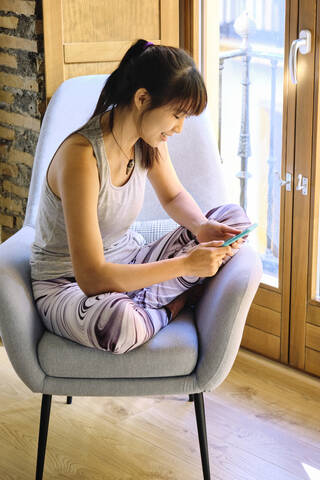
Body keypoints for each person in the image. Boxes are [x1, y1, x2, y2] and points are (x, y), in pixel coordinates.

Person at [30, 39, 252, 354]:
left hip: (129, 260)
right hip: (69, 286)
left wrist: (202, 227)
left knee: (232, 220)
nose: (179, 129)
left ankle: (148, 301)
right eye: (177, 115)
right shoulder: (82, 157)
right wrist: (187, 267)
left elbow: (173, 196)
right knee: (121, 322)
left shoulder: (147, 140)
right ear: (142, 98)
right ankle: (176, 302)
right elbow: (92, 278)